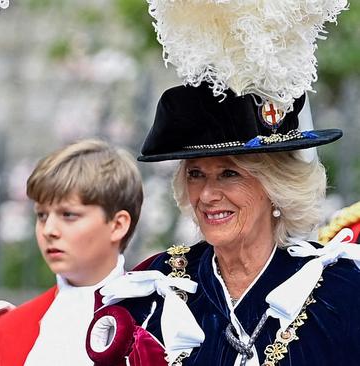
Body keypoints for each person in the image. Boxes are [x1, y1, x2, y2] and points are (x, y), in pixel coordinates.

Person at [87, 82, 360, 366]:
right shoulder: (153, 286)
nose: (206, 195)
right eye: (195, 174)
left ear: (275, 187)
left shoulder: (340, 291)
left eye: (229, 173)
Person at [0, 139, 146, 365]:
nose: (49, 230)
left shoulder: (156, 322)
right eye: (42, 215)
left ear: (117, 225)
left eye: (68, 215)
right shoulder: (6, 328)